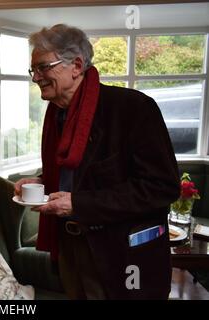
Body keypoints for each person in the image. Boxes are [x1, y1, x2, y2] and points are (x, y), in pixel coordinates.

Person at [14, 24, 180, 299]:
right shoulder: (57, 114)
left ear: (76, 65)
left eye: (43, 67)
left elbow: (162, 187)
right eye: (34, 70)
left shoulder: (133, 108)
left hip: (123, 254)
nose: (36, 78)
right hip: (71, 249)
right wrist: (42, 181)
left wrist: (78, 204)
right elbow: (75, 172)